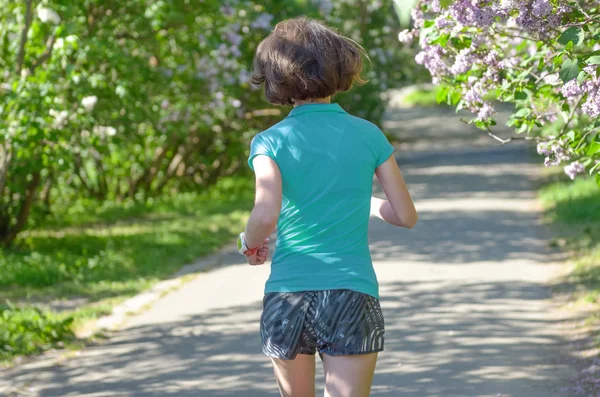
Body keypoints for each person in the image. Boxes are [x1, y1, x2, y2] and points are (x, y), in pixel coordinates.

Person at [236, 16, 418, 397]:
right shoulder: (368, 134)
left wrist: (248, 244)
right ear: (341, 67)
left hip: (289, 294)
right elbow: (405, 216)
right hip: (352, 291)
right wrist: (363, 200)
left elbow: (265, 215)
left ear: (275, 76)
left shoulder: (269, 140)